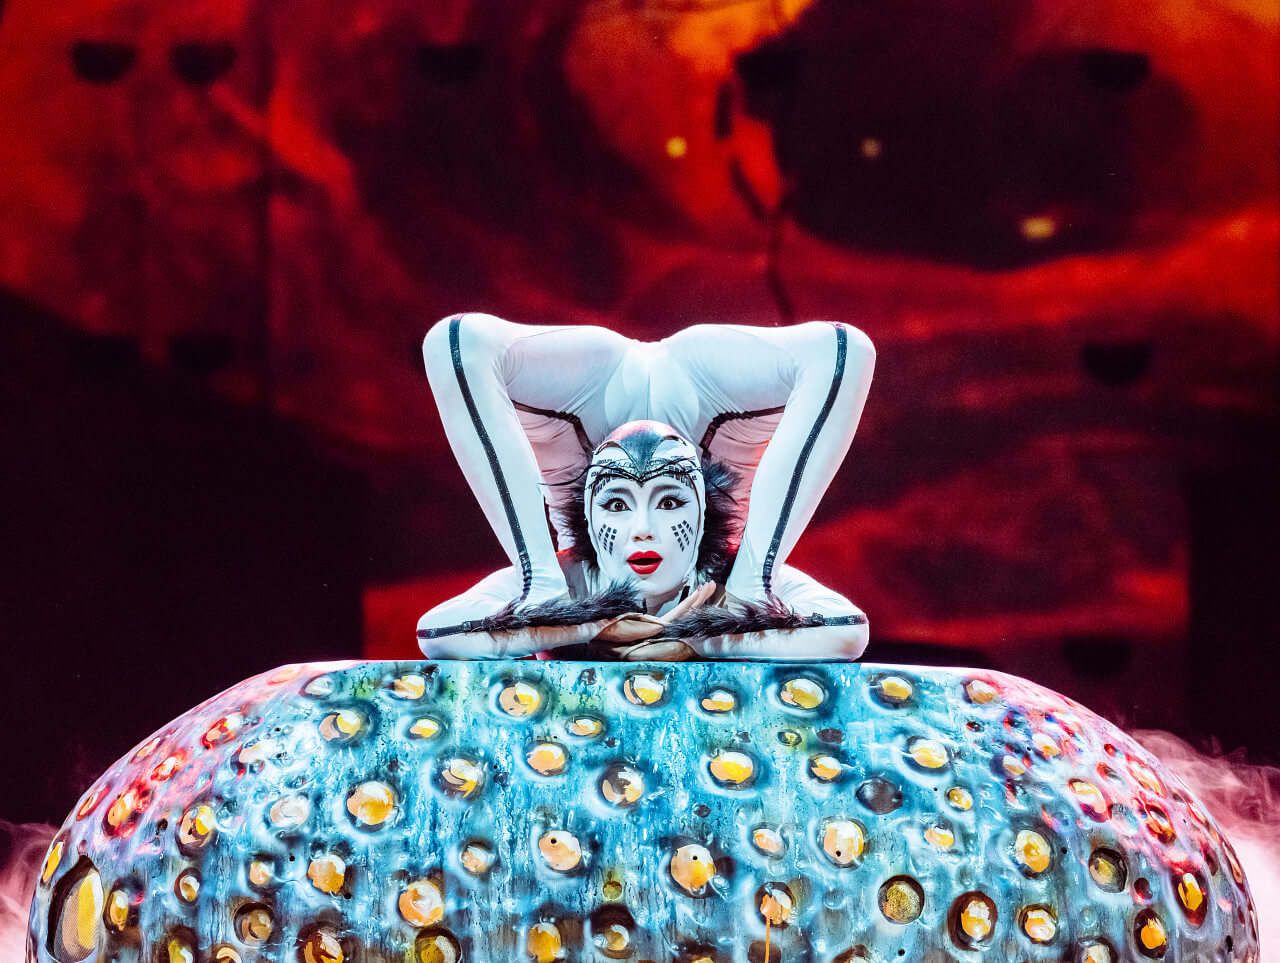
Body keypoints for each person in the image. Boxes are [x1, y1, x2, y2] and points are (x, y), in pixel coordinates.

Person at [415, 314, 875, 661]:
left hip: (602, 412)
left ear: (696, 527)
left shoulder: (581, 578)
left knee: (454, 342)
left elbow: (436, 635)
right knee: (845, 350)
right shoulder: (705, 577)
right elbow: (846, 632)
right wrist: (731, 621)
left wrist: (558, 614)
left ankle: (552, 574)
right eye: (619, 507)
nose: (642, 531)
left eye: (670, 504)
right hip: (687, 417)